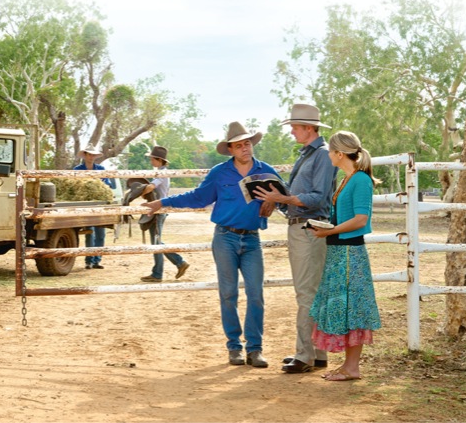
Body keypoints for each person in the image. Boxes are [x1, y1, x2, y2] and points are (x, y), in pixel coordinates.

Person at [143, 121, 283, 369]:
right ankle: (234, 347)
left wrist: (276, 200)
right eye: (238, 145)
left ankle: (255, 349)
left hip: (252, 239)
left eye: (247, 143)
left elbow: (284, 196)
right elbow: (198, 197)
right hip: (225, 237)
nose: (245, 148)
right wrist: (162, 202)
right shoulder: (220, 173)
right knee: (228, 293)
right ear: (230, 149)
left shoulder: (266, 171)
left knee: (256, 294)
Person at [253, 103, 337, 374]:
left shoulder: (321, 155)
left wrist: (283, 198)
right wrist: (276, 198)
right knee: (311, 291)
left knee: (305, 293)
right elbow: (304, 195)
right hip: (303, 227)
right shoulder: (310, 154)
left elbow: (318, 197)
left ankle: (305, 355)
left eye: (294, 127)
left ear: (308, 128)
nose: (291, 132)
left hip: (308, 228)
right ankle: (316, 352)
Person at [308, 130, 381, 381]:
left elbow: (361, 219)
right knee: (348, 307)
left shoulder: (360, 180)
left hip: (350, 254)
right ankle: (348, 366)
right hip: (339, 252)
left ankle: (352, 368)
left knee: (352, 307)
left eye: (330, 151)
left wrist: (330, 231)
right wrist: (326, 228)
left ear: (340, 153)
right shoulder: (347, 178)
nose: (328, 154)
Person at [138, 146, 190, 283]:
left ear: (159, 160)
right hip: (159, 210)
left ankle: (167, 269)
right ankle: (173, 265)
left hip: (159, 211)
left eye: (152, 159)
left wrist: (139, 192)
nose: (151, 161)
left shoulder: (161, 173)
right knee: (156, 241)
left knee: (156, 242)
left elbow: (151, 187)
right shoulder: (162, 172)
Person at [74, 143, 116, 270]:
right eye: (89, 154)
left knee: (100, 234)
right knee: (90, 233)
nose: (91, 157)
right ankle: (89, 260)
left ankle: (97, 259)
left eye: (93, 155)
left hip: (100, 204)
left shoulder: (101, 169)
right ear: (85, 155)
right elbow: (74, 185)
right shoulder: (77, 170)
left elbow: (107, 184)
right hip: (86, 204)